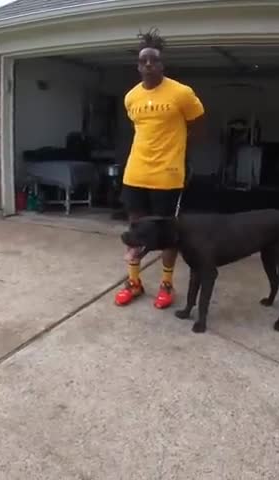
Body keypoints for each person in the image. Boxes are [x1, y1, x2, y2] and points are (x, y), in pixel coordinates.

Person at [115, 28, 205, 309]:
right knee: (135, 230)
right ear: (138, 65)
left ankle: (166, 284)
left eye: (154, 60)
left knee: (167, 234)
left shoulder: (182, 93)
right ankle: (134, 282)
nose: (149, 65)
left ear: (162, 64)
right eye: (144, 61)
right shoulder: (131, 98)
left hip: (167, 176)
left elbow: (198, 125)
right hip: (135, 173)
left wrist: (181, 155)